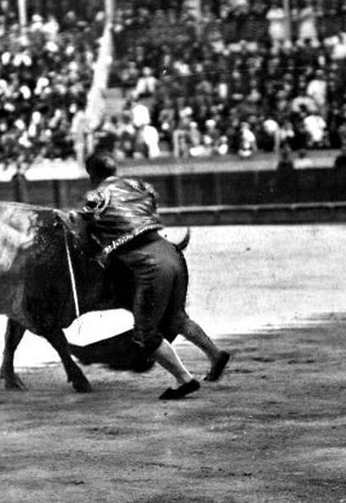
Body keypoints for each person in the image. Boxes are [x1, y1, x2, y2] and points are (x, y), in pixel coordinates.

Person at [76, 152, 230, 400]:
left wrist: (100, 250)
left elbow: (83, 238)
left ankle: (184, 379)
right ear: (115, 169)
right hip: (171, 252)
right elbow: (149, 211)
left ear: (91, 174)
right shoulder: (139, 186)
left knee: (145, 334)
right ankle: (215, 354)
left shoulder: (95, 197)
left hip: (147, 262)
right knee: (176, 317)